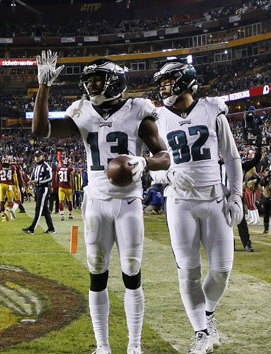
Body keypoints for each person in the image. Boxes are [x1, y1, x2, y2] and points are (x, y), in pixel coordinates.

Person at [32, 50, 171, 354]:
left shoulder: (138, 110)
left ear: (115, 81)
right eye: (89, 80)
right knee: (97, 273)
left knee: (132, 272)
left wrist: (144, 162)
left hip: (129, 201)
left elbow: (165, 157)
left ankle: (134, 346)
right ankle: (103, 347)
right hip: (96, 201)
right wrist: (43, 88)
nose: (92, 85)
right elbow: (40, 131)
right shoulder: (82, 111)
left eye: (98, 79)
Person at [151, 59, 243, 353]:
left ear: (183, 81)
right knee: (189, 271)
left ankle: (208, 315)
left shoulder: (212, 109)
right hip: (180, 201)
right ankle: (201, 332)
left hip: (215, 198)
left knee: (222, 270)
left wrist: (236, 195)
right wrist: (168, 173)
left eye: (167, 81)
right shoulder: (157, 118)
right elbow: (151, 165)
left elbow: (232, 158)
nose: (163, 87)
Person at [22, 150, 55, 234]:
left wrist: (38, 182)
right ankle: (51, 228)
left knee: (38, 208)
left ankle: (32, 229)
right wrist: (31, 181)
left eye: (38, 156)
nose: (37, 158)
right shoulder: (36, 167)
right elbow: (33, 177)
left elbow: (50, 178)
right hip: (38, 189)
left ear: (42, 156)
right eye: (36, 156)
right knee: (45, 210)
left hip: (43, 189)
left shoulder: (46, 166)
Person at [239, 146, 262, 251]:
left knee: (241, 221)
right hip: (221, 197)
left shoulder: (242, 166)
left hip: (236, 197)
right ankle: (227, 244)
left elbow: (256, 160)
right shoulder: (219, 165)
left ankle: (247, 244)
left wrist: (259, 147)